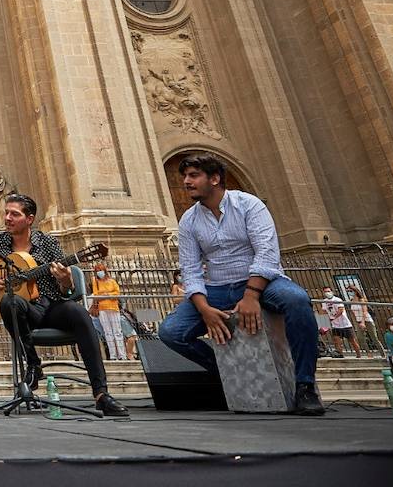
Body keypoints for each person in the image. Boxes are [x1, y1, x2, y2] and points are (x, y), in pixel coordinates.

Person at [157, 155, 325, 415]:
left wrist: (251, 296)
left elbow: (267, 254)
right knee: (171, 332)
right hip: (217, 288)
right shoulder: (189, 221)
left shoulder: (249, 205)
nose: (186, 182)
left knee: (297, 301)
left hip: (262, 283)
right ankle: (230, 370)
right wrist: (204, 310)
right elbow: (190, 271)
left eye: (193, 176)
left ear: (214, 179)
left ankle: (305, 384)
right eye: (185, 176)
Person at [0, 193, 128, 417]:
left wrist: (65, 279)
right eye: (6, 213)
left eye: (14, 214)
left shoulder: (48, 243)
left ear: (29, 219)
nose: (7, 218)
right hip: (25, 312)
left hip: (52, 306)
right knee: (9, 302)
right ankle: (33, 363)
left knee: (79, 313)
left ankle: (101, 394)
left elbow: (67, 291)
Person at [91, 264, 126, 361]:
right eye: (97, 270)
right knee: (108, 332)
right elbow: (96, 295)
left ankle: (122, 355)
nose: (99, 272)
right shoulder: (95, 282)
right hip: (102, 309)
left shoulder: (112, 281)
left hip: (113, 308)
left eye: (100, 270)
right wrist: (108, 295)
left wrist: (106, 295)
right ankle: (113, 355)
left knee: (117, 331)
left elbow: (117, 293)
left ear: (105, 270)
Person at [321, 286, 361, 358]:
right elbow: (324, 311)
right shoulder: (324, 302)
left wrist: (333, 318)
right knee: (337, 341)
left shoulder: (337, 299)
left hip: (345, 324)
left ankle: (358, 354)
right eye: (325, 292)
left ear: (332, 291)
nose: (327, 293)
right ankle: (340, 354)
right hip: (335, 325)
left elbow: (341, 310)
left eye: (328, 291)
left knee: (352, 341)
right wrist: (325, 322)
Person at [347, 286, 380, 353]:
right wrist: (356, 322)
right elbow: (353, 312)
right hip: (358, 321)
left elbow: (364, 311)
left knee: (374, 338)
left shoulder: (361, 300)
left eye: (351, 291)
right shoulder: (351, 301)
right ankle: (368, 353)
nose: (349, 293)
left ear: (355, 291)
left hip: (367, 320)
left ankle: (382, 353)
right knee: (360, 338)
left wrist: (363, 322)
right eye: (348, 291)